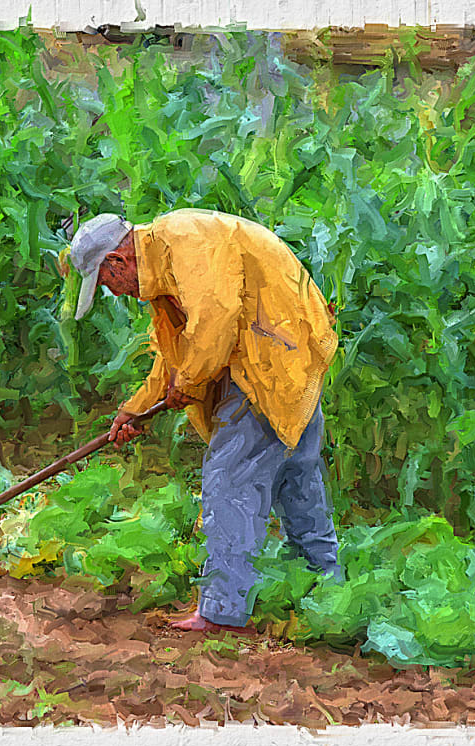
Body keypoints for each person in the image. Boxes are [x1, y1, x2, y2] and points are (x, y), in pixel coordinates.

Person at [66, 208, 342, 634]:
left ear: (119, 261)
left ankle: (222, 611)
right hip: (287, 352)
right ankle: (328, 591)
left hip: (270, 353)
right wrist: (138, 406)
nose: (115, 293)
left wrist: (189, 383)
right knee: (294, 476)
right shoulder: (162, 267)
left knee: (229, 480)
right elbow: (174, 353)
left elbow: (214, 323)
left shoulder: (185, 240)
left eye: (106, 281)